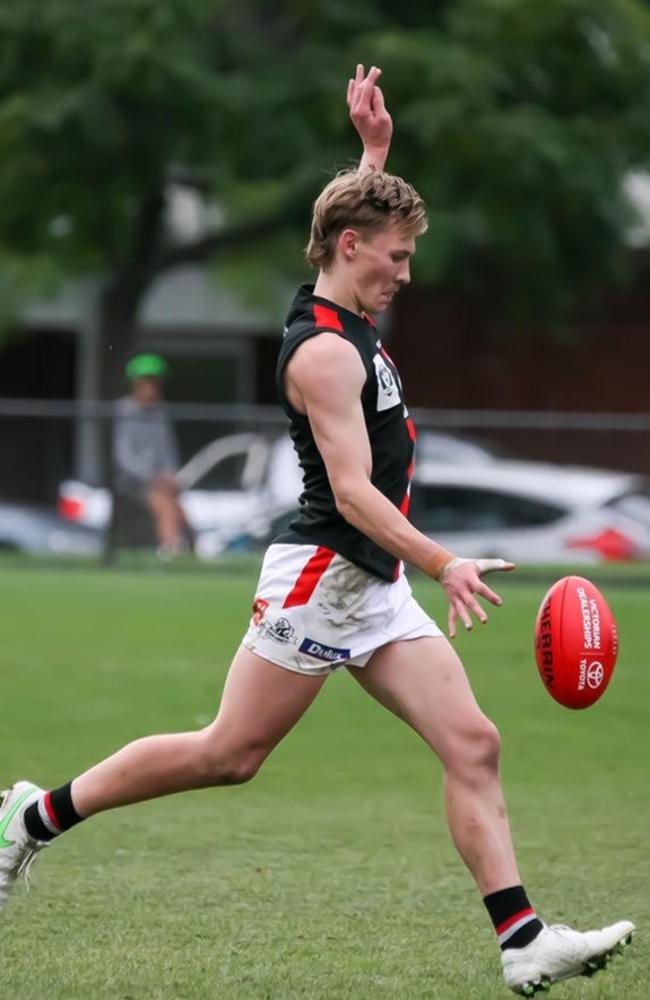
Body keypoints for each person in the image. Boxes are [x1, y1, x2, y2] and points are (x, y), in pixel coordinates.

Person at [0, 66, 634, 996]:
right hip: (327, 571)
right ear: (350, 246)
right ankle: (31, 819)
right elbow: (350, 491)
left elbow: (355, 228)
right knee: (230, 753)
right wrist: (443, 559)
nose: (406, 273)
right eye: (398, 256)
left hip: (373, 583)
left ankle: (523, 940)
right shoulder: (327, 353)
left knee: (473, 743)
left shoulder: (347, 299)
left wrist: (375, 157)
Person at [112, 353, 190, 558]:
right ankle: (170, 549)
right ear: (135, 383)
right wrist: (152, 477)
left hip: (160, 482)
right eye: (146, 381)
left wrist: (171, 476)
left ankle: (186, 551)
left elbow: (167, 451)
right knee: (164, 505)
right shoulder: (123, 411)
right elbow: (124, 456)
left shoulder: (161, 412)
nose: (151, 387)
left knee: (178, 507)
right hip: (132, 481)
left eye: (155, 382)